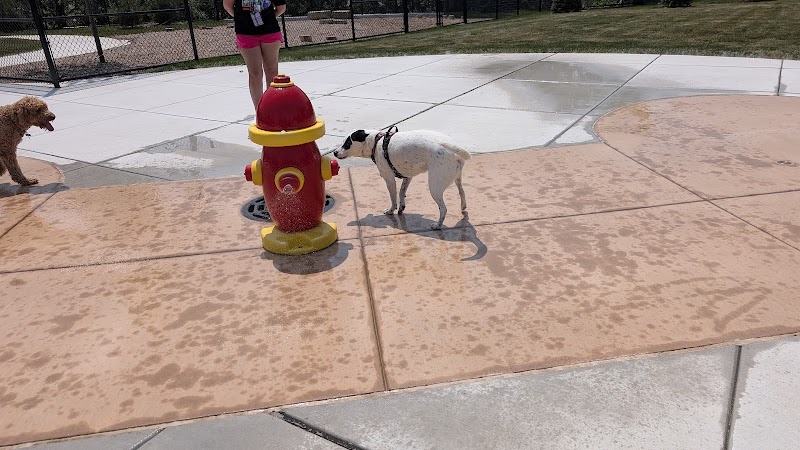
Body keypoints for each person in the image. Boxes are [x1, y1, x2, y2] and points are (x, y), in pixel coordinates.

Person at [223, 0, 287, 111]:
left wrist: (267, 18)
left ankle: (273, 108)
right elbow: (228, 6)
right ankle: (260, 111)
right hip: (246, 33)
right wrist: (242, 18)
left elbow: (281, 8)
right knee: (255, 74)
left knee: (272, 71)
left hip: (270, 31)